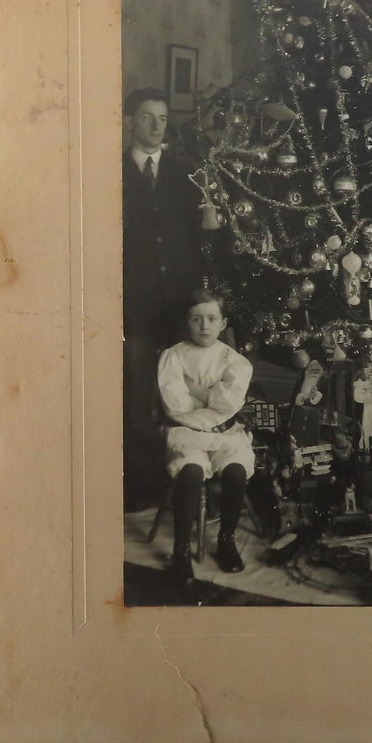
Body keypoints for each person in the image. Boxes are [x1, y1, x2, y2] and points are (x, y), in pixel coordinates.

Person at [122, 87, 211, 510]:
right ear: (129, 123)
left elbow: (197, 241)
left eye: (161, 118)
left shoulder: (183, 174)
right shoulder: (110, 173)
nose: (156, 126)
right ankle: (144, 489)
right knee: (139, 397)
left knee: (181, 393)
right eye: (146, 118)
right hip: (133, 306)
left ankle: (186, 482)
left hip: (177, 306)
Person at [158, 290, 254, 585]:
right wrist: (210, 401)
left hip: (226, 434)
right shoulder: (173, 356)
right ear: (187, 322)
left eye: (211, 319)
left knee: (236, 472)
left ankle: (226, 540)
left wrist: (196, 393)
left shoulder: (234, 361)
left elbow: (229, 403)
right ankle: (182, 550)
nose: (204, 326)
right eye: (196, 319)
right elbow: (175, 404)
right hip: (187, 434)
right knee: (191, 473)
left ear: (223, 323)